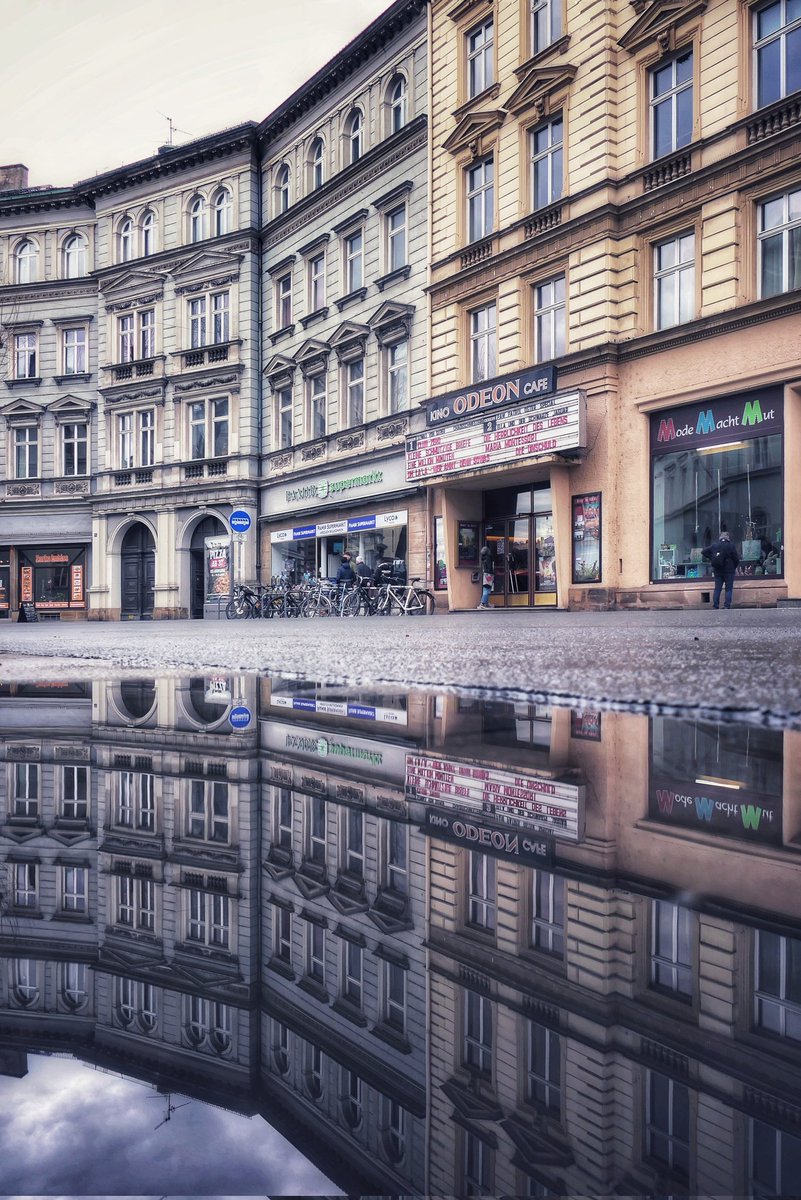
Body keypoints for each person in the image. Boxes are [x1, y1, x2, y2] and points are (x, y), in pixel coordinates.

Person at [702, 531, 739, 609]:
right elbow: (736, 558)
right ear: (728, 537)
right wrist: (734, 566)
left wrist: (712, 558)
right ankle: (726, 605)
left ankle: (715, 605)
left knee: (717, 588)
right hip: (729, 570)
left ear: (720, 537)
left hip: (717, 570)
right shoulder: (731, 546)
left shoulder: (715, 545)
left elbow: (704, 551)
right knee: (728, 588)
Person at [478, 543, 493, 609]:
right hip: (488, 574)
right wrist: (492, 573)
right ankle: (483, 604)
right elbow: (489, 567)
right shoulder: (488, 558)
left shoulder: (483, 558)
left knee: (486, 588)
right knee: (487, 589)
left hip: (485, 574)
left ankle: (486, 603)